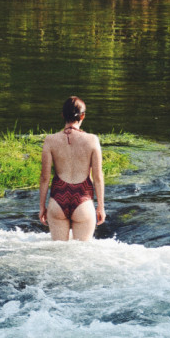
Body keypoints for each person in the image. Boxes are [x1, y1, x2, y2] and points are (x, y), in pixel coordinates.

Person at [39, 96, 106, 241]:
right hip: (83, 199)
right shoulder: (92, 140)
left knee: (58, 253)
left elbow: (44, 178)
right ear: (83, 116)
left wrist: (41, 207)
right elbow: (98, 177)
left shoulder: (50, 140)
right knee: (80, 256)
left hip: (58, 199)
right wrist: (101, 206)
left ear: (62, 115)